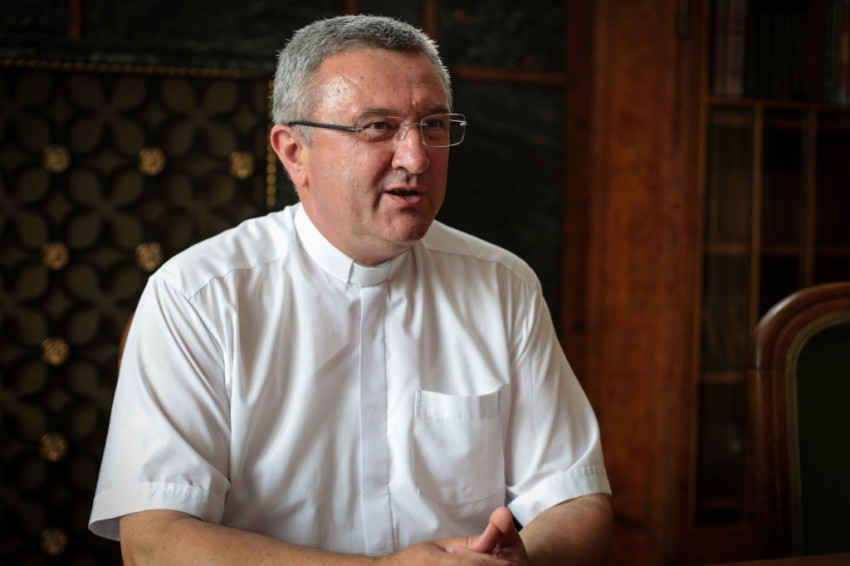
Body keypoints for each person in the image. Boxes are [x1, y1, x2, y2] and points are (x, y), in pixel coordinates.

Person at [89, 14, 612, 565]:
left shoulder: (503, 285)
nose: (416, 157)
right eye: (378, 127)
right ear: (295, 151)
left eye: (433, 125)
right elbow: (153, 542)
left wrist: (522, 559)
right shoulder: (198, 296)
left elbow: (578, 499)